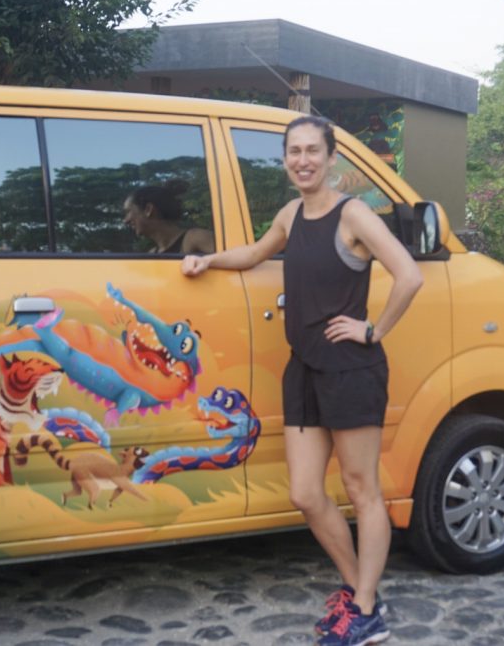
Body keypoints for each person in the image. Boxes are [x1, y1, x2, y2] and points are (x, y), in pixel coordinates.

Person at [181, 116, 423, 646]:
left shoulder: (353, 214)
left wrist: (373, 330)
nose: (304, 160)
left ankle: (364, 609)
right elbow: (254, 253)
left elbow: (410, 274)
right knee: (305, 493)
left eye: (314, 150)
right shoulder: (291, 214)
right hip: (305, 368)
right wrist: (207, 260)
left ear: (332, 157)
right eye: (294, 151)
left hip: (351, 370)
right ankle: (359, 591)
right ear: (286, 158)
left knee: (362, 491)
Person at [123, 179, 214, 254]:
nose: (125, 220)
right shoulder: (152, 253)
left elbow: (227, 257)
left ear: (148, 210)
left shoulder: (196, 238)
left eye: (128, 212)